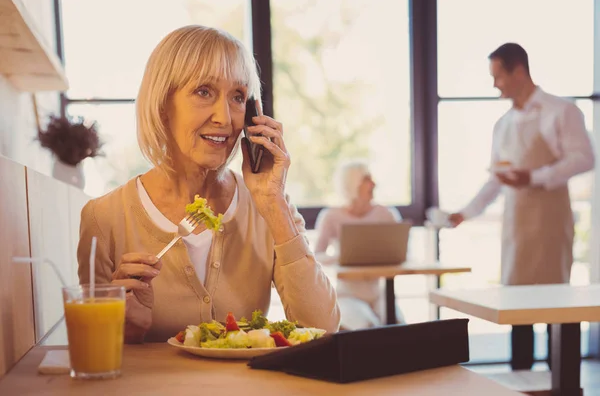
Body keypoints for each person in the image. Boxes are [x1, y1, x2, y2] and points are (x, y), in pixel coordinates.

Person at [76, 25, 341, 343]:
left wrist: (274, 204)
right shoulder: (103, 219)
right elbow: (94, 354)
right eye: (204, 92)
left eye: (238, 98)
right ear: (163, 105)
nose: (226, 119)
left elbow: (324, 332)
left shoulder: (271, 206)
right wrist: (128, 332)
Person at [448, 43, 595, 369]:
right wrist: (466, 213)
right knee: (517, 307)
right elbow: (496, 180)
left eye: (498, 76)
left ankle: (564, 380)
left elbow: (584, 158)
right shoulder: (502, 125)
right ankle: (522, 381)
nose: (495, 84)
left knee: (558, 304)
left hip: (551, 222)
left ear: (518, 71)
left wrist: (534, 176)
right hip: (516, 227)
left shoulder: (562, 110)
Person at [314, 160, 405, 329]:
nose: (373, 184)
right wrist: (342, 257)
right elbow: (316, 256)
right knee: (367, 327)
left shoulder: (386, 214)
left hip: (381, 294)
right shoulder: (331, 216)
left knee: (398, 325)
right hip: (347, 295)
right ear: (352, 183)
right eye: (367, 179)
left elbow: (402, 253)